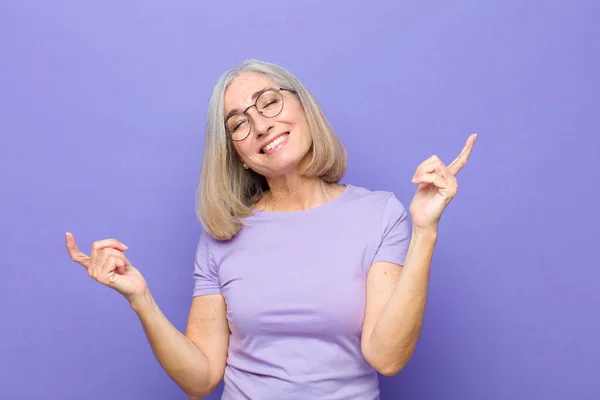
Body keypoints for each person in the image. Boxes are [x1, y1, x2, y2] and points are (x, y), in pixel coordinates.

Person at [65, 59, 476, 400]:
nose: (260, 125)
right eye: (238, 124)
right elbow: (200, 378)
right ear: (238, 155)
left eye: (268, 102)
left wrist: (425, 231)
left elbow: (387, 357)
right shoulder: (222, 234)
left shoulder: (381, 213)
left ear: (303, 108)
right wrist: (140, 298)